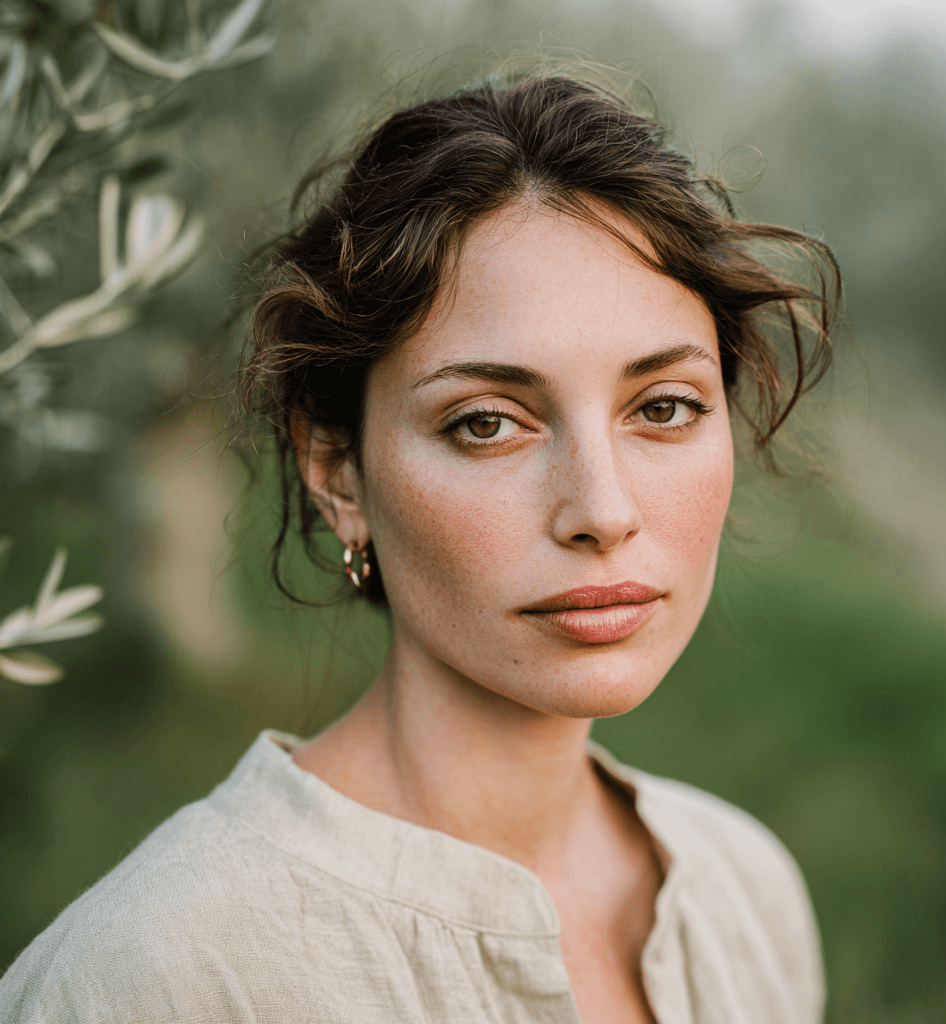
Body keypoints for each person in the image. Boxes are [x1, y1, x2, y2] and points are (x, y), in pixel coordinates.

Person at [0, 72, 838, 1023]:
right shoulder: (158, 978)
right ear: (337, 474)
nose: (602, 511)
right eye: (487, 424)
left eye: (663, 408)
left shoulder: (746, 894)